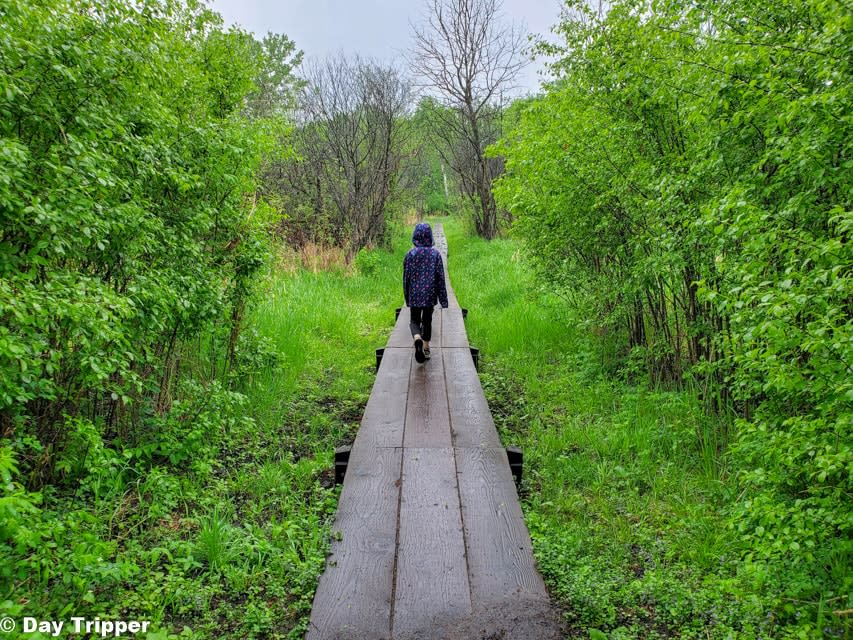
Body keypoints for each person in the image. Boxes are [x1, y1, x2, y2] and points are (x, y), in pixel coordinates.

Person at [403, 222, 449, 363]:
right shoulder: (435, 255)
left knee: (414, 320)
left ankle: (417, 338)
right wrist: (444, 300)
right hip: (430, 294)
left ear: (415, 236)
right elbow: (441, 278)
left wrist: (407, 297)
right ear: (430, 236)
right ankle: (426, 347)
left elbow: (406, 278)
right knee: (427, 320)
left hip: (415, 294)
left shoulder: (410, 255)